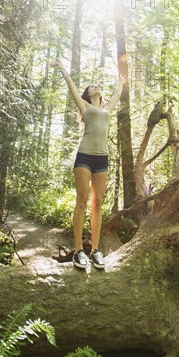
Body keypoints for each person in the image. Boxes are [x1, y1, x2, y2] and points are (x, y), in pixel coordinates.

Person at [51, 58, 126, 270]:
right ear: (87, 94)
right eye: (92, 86)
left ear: (101, 95)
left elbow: (117, 95)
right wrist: (63, 69)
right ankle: (78, 251)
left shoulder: (107, 109)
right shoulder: (84, 106)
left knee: (98, 203)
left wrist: (120, 81)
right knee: (82, 200)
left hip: (102, 158)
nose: (96, 86)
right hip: (84, 156)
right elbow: (71, 86)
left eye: (98, 86)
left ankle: (94, 250)